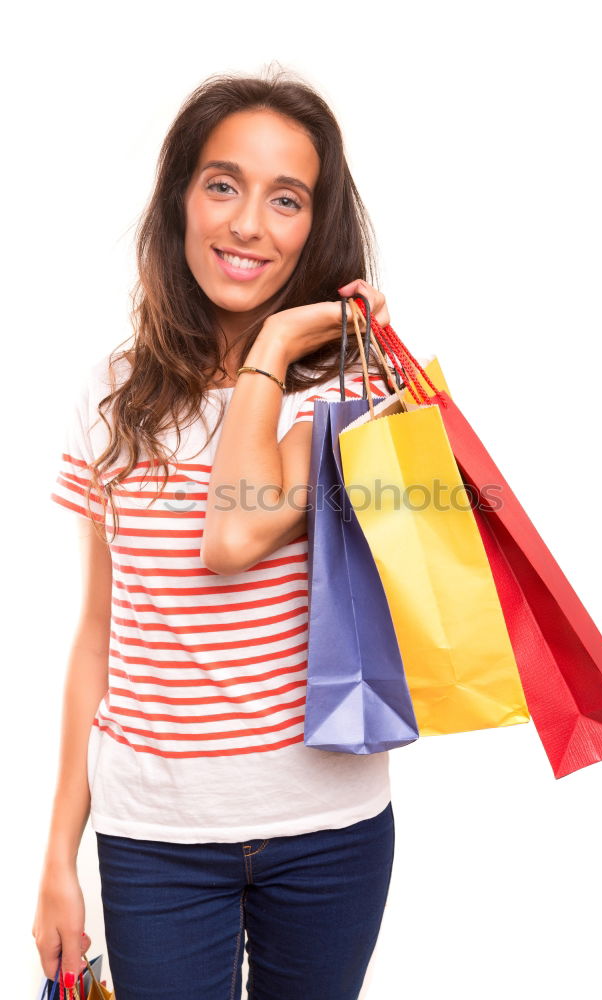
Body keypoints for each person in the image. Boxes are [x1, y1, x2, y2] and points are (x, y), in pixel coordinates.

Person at [32, 69, 399, 999]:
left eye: (287, 200)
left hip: (328, 830)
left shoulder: (348, 396)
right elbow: (97, 636)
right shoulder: (114, 393)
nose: (247, 225)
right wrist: (56, 858)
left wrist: (273, 350)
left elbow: (231, 535)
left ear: (315, 228)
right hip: (152, 834)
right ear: (180, 200)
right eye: (223, 185)